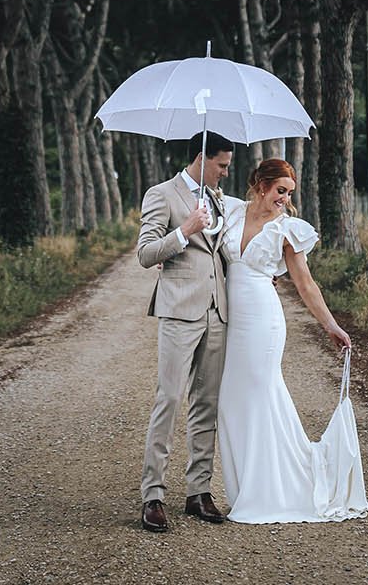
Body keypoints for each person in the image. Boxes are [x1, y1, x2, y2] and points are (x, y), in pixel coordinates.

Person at [216, 157, 368, 523]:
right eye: (280, 191)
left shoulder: (287, 229)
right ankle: (244, 489)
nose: (284, 198)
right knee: (230, 404)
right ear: (261, 184)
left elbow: (305, 283)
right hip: (229, 320)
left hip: (262, 323)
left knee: (259, 397)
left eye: (289, 193)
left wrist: (331, 326)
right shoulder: (232, 211)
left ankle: (271, 491)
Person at [135, 132, 244, 532]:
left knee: (206, 404)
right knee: (168, 399)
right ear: (202, 157)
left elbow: (224, 252)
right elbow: (146, 254)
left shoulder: (218, 197)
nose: (225, 173)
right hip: (179, 311)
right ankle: (153, 495)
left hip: (218, 310)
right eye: (221, 165)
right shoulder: (161, 194)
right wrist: (183, 231)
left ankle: (198, 491)